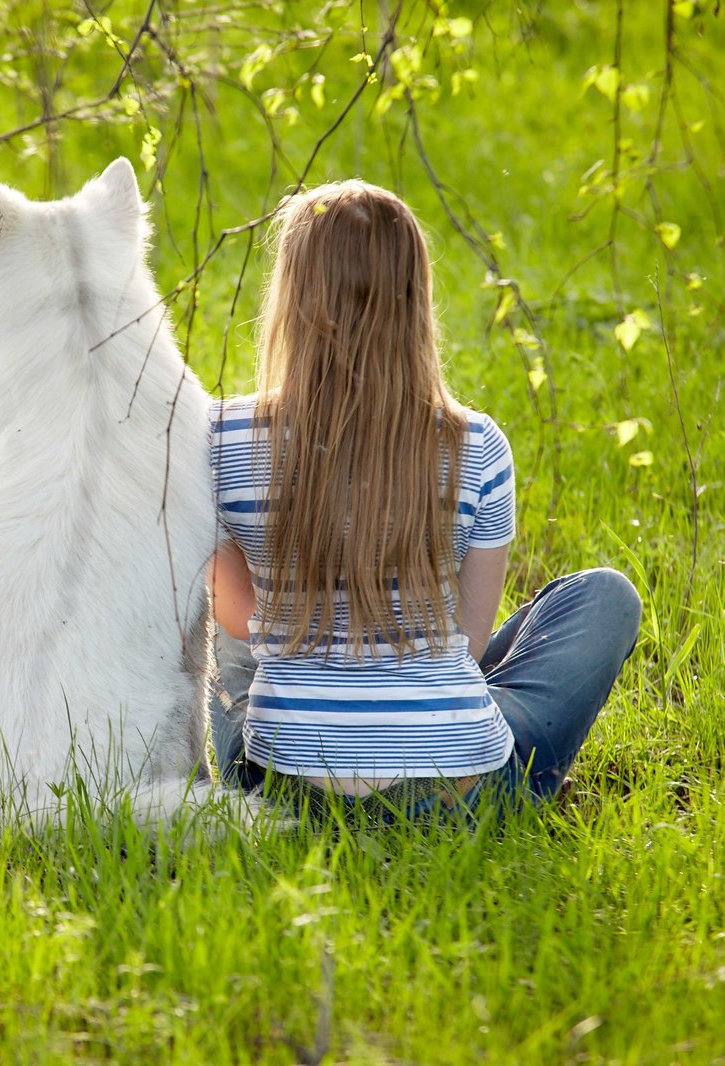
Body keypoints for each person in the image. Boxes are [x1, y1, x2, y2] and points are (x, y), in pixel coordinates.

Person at [207, 180, 641, 824]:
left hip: (286, 795)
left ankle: (356, 721)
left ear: (290, 300)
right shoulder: (478, 446)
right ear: (416, 300)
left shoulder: (218, 439)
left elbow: (242, 622)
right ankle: (434, 719)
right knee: (605, 598)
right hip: (460, 795)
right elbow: (466, 640)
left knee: (217, 615)